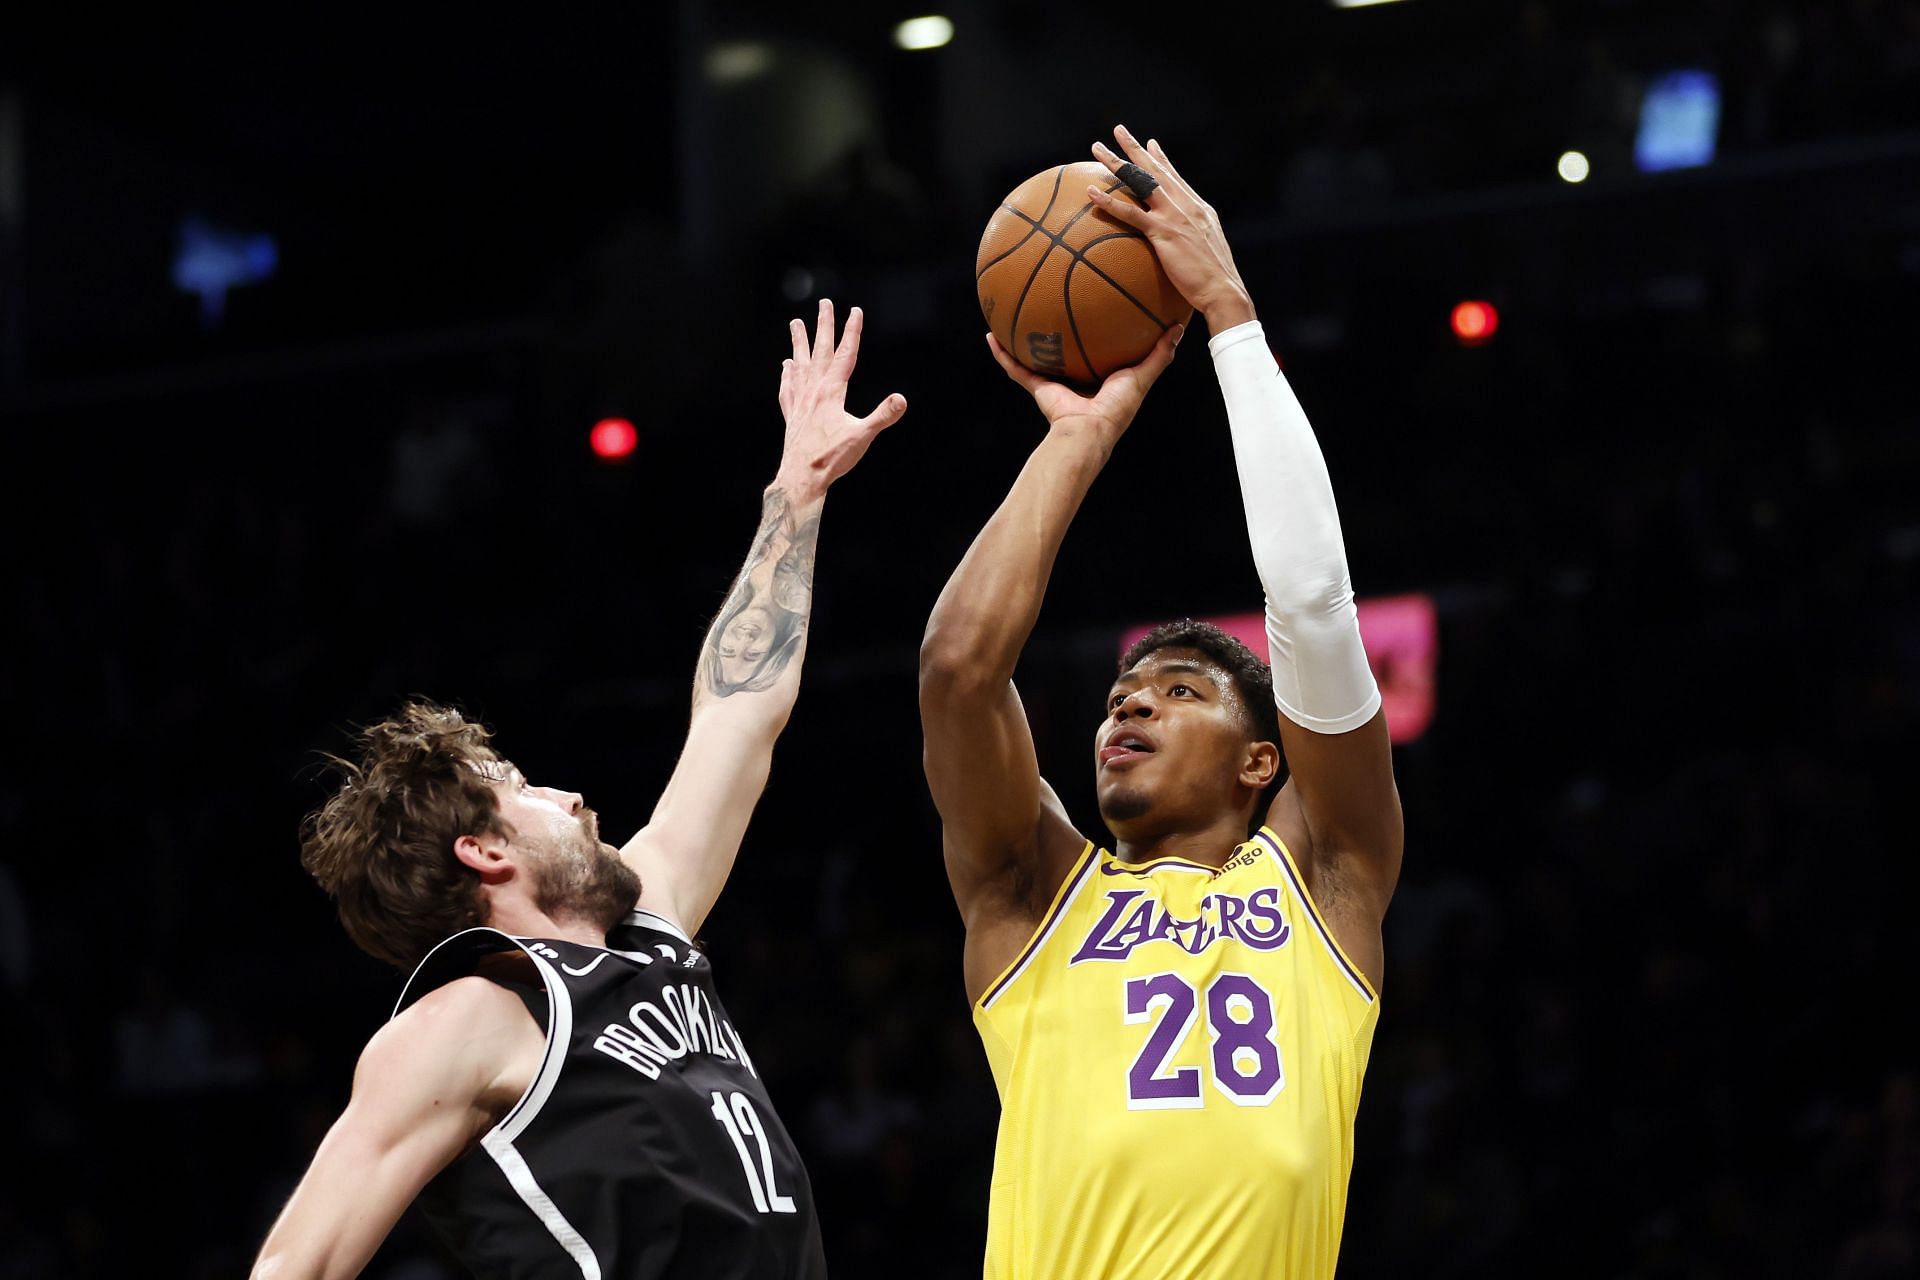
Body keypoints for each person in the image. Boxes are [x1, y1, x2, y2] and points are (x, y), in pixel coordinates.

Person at [253, 302, 906, 1280]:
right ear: (486, 850)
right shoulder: (469, 1018)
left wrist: (797, 492)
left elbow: (739, 711)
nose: (568, 794)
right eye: (522, 787)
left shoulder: (652, 923)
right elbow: (294, 1266)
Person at [919, 126, 1403, 1280]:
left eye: (1178, 693)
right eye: (1120, 694)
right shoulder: (1034, 893)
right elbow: (957, 670)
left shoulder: (1323, 874)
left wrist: (1231, 318)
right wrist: (1079, 440)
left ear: (1258, 763)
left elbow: (1316, 607)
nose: (1123, 711)